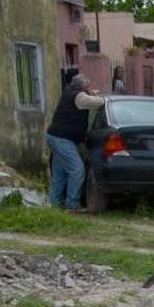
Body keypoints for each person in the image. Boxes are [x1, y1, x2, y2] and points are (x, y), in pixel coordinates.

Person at [46, 73, 105, 211]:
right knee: (77, 170)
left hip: (55, 137)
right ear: (83, 86)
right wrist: (103, 98)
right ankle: (72, 204)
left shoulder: (69, 92)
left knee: (59, 174)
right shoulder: (78, 96)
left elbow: (86, 99)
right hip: (63, 140)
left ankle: (54, 204)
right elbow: (97, 103)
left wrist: (92, 94)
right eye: (87, 86)